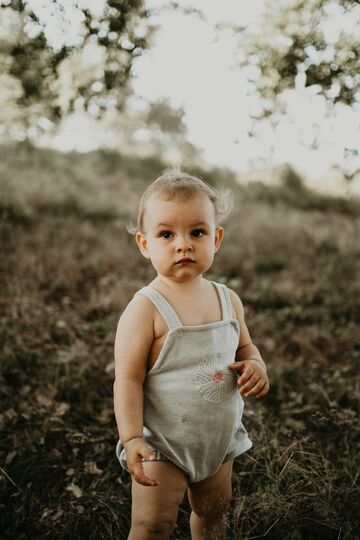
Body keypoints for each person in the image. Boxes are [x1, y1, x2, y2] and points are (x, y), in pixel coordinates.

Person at [113, 169, 270, 540]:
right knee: (153, 526)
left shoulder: (227, 300)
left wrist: (255, 364)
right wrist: (133, 438)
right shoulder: (146, 308)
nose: (183, 244)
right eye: (166, 234)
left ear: (216, 238)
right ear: (144, 244)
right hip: (162, 444)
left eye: (197, 232)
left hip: (217, 442)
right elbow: (128, 379)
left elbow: (245, 346)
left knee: (214, 518)